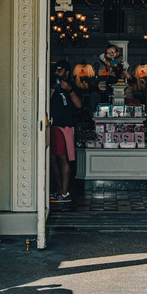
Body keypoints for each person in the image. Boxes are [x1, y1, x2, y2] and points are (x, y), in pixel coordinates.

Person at [50, 60, 82, 203]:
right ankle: (59, 189)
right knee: (53, 158)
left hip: (64, 126)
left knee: (63, 158)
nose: (56, 72)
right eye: (56, 70)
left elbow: (79, 105)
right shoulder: (52, 85)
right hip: (51, 125)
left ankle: (64, 192)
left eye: (59, 70)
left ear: (67, 72)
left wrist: (69, 89)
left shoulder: (71, 86)